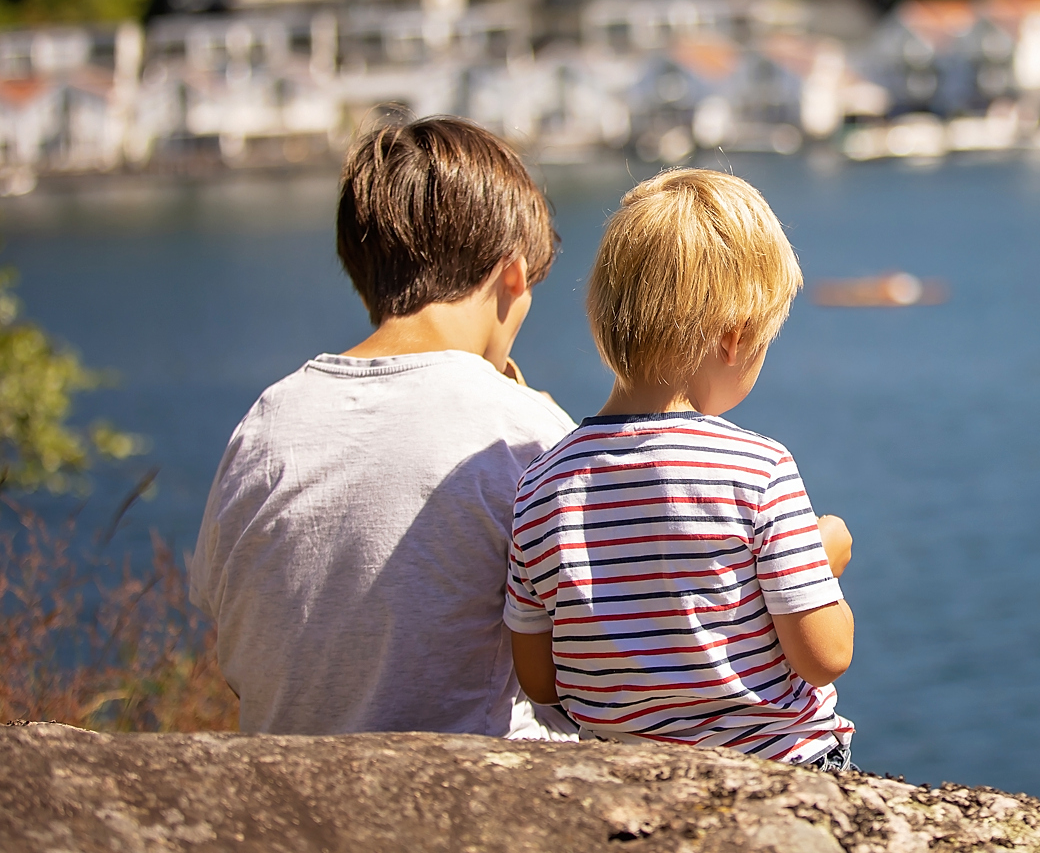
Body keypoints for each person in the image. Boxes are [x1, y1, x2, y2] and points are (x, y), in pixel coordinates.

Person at [189, 116, 577, 737]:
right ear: (513, 277)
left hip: (279, 792)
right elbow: (585, 649)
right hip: (478, 799)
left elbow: (228, 612)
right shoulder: (525, 429)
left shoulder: (267, 421)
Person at [505, 168, 857, 769]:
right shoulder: (759, 469)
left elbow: (540, 681)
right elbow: (824, 655)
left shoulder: (540, 485)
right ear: (733, 337)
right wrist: (821, 560)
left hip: (620, 776)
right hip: (777, 769)